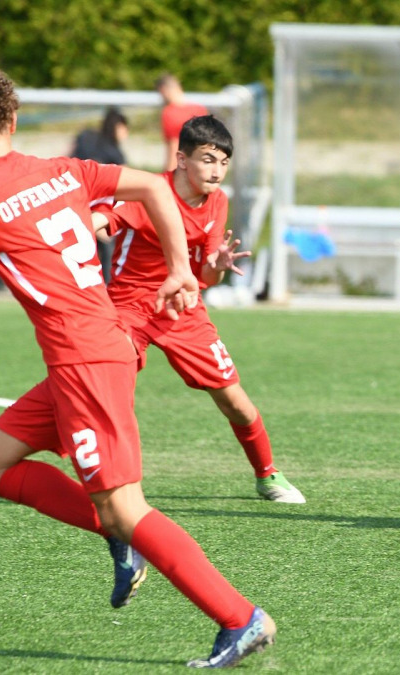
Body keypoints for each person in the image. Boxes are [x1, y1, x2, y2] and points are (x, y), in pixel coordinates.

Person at [0, 64, 274, 668]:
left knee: (127, 506)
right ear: (14, 119)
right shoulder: (63, 171)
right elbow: (155, 187)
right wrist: (179, 265)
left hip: (87, 360)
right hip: (85, 356)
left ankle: (239, 618)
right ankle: (115, 534)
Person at [91, 115, 306, 504]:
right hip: (129, 307)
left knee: (235, 402)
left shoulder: (217, 202)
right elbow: (101, 221)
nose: (217, 170)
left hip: (184, 309)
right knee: (111, 391)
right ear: (181, 159)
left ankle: (268, 474)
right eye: (208, 159)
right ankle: (114, 483)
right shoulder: (149, 191)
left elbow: (205, 275)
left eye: (224, 162)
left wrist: (217, 265)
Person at [70, 106, 129, 283]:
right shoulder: (115, 153)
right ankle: (108, 281)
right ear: (118, 127)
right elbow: (125, 181)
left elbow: (68, 156)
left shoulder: (85, 136)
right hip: (94, 202)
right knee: (107, 237)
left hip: (70, 195)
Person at [157, 73, 208, 172]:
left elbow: (174, 146)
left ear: (164, 90)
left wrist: (168, 173)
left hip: (181, 168)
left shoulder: (169, 112)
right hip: (201, 165)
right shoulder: (200, 109)